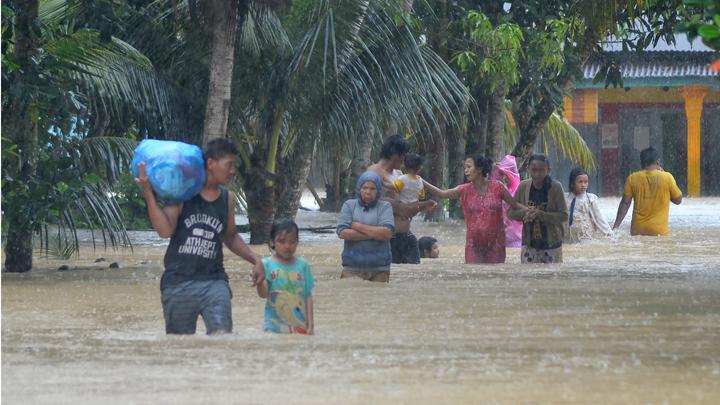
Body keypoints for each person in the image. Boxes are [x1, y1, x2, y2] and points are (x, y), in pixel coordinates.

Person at [135, 138, 263, 335]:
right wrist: (148, 193)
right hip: (178, 282)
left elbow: (231, 237)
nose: (233, 171)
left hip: (214, 281)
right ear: (210, 163)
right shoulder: (182, 192)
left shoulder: (228, 199)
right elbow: (165, 231)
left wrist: (255, 259)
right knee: (181, 346)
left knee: (222, 338)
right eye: (229, 165)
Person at [423, 154, 517, 264]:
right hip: (473, 245)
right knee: (473, 276)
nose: (466, 171)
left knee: (495, 276)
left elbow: (514, 205)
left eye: (469, 167)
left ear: (480, 169)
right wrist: (422, 181)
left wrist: (527, 211)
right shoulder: (464, 190)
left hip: (496, 244)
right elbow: (442, 194)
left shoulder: (498, 187)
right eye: (465, 168)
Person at [367, 136, 436, 264]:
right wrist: (419, 206)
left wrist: (420, 205)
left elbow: (409, 204)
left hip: (406, 237)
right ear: (396, 154)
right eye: (404, 154)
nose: (405, 159)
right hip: (385, 238)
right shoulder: (373, 173)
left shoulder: (399, 174)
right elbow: (370, 204)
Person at [256, 219, 314, 335]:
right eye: (282, 242)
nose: (287, 246)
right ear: (272, 242)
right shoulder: (266, 264)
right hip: (273, 326)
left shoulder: (303, 265)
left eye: (292, 242)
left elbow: (308, 297)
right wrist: (259, 283)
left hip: (299, 326)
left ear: (297, 242)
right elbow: (264, 294)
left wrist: (310, 325)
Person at [507, 154, 568, 264]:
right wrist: (526, 213)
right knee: (529, 278)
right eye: (534, 170)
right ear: (528, 168)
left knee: (552, 278)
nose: (537, 174)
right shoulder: (523, 186)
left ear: (548, 170)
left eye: (541, 170)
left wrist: (541, 214)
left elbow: (564, 215)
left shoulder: (556, 187)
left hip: (551, 243)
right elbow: (510, 213)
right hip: (529, 243)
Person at [336, 171, 395, 282]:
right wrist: (374, 233)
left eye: (373, 189)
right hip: (352, 267)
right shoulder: (349, 205)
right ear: (359, 189)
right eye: (365, 188)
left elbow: (387, 233)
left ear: (378, 191)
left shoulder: (385, 206)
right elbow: (343, 233)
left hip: (380, 269)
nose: (368, 192)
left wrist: (357, 226)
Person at [612, 146, 682, 236]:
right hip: (659, 232)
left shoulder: (632, 178)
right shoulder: (667, 177)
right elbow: (678, 200)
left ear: (642, 163)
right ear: (658, 162)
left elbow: (625, 203)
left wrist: (615, 227)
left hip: (637, 231)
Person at [564, 167, 613, 243]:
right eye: (580, 182)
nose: (583, 185)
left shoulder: (591, 199)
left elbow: (599, 218)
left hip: (585, 237)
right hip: (568, 238)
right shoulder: (565, 198)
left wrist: (609, 234)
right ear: (572, 183)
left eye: (585, 182)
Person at [490, 154, 523, 248]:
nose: (503, 177)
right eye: (502, 175)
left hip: (516, 237)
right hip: (504, 236)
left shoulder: (517, 189)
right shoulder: (506, 189)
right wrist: (495, 174)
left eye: (505, 174)